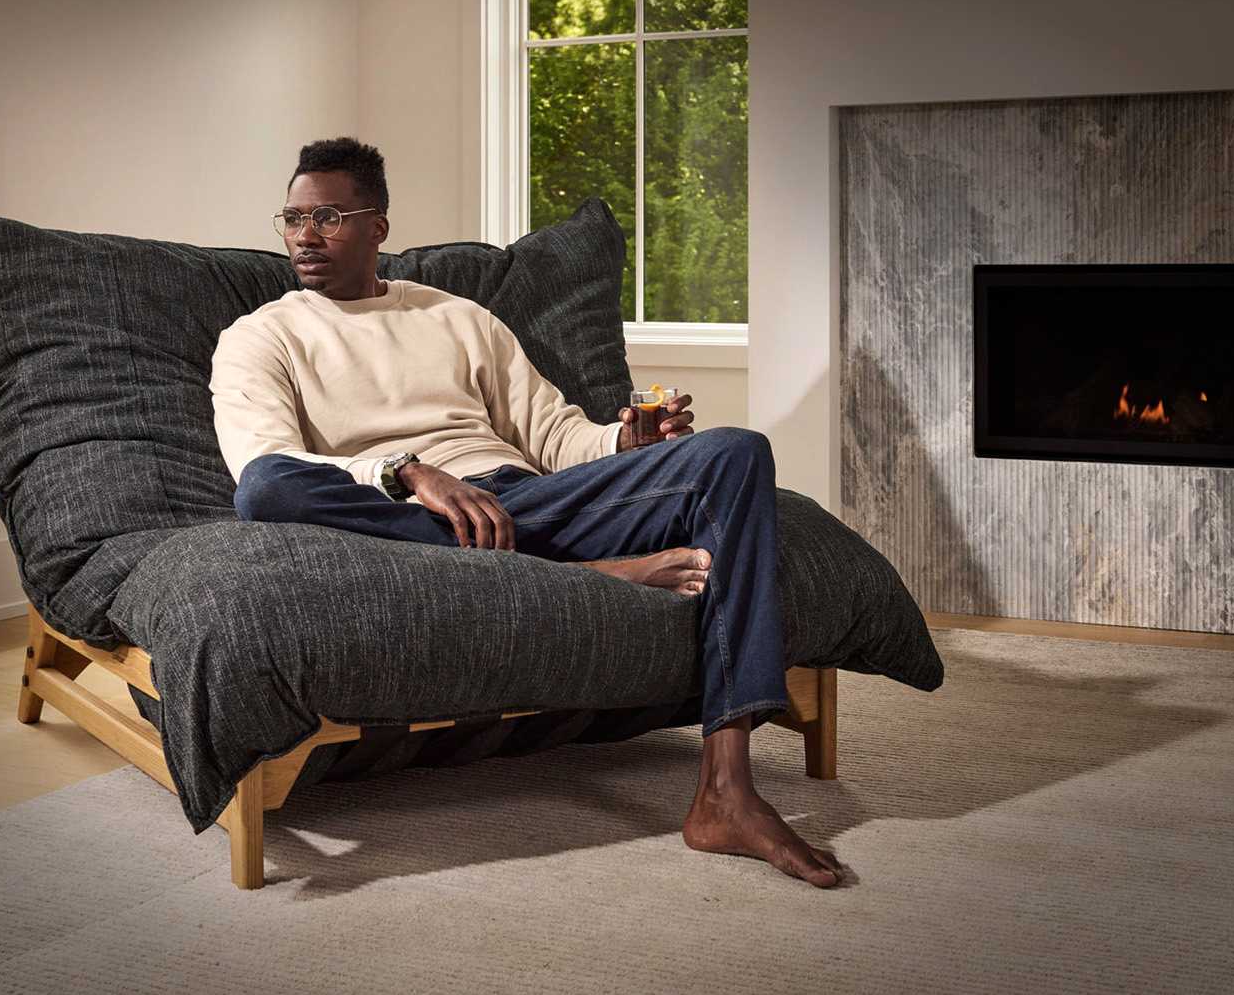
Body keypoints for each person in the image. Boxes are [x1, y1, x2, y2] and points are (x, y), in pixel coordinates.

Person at [211, 137, 846, 888]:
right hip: (400, 509)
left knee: (736, 452)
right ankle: (584, 573)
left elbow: (555, 435)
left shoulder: (458, 318)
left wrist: (626, 441)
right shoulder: (261, 336)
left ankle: (725, 790)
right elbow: (265, 466)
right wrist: (410, 472)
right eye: (292, 218)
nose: (304, 235)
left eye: (327, 216)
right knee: (265, 494)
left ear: (377, 227)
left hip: (524, 501)